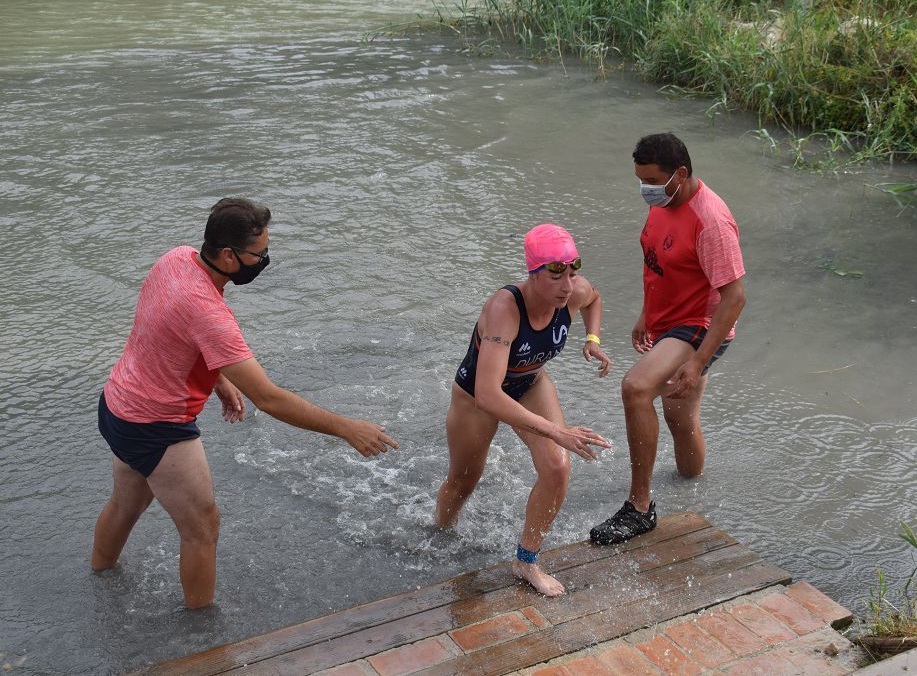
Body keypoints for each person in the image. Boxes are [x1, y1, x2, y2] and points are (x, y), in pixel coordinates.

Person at [91, 198, 398, 609]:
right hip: (157, 425)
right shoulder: (210, 314)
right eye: (260, 254)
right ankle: (202, 638)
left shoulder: (176, 259)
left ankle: (98, 579)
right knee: (202, 529)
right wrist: (345, 427)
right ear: (228, 255)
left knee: (127, 502)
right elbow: (269, 398)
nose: (265, 260)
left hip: (117, 403)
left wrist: (216, 376)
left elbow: (166, 328)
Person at [436, 224, 612, 597]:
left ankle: (526, 560)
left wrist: (593, 338)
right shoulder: (504, 309)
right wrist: (555, 430)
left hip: (530, 384)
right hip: (476, 397)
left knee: (557, 466)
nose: (567, 286)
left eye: (572, 273)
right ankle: (439, 534)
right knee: (464, 479)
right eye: (556, 275)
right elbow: (488, 394)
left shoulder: (575, 291)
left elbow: (594, 298)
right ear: (533, 274)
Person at [590, 133, 746, 545]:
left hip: (699, 325)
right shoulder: (662, 204)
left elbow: (734, 297)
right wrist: (647, 312)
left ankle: (639, 507)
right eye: (640, 180)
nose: (646, 190)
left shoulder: (711, 221)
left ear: (680, 173)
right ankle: (697, 493)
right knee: (679, 418)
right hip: (668, 321)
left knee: (636, 388)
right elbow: (659, 259)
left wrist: (696, 361)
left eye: (653, 181)